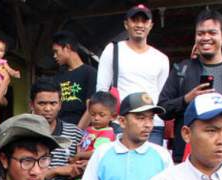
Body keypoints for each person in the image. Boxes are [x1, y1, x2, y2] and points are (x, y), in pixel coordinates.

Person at [158, 8, 222, 161]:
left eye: (212, 33)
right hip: (188, 155)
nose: (206, 38)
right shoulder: (181, 70)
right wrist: (186, 99)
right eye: (200, 33)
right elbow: (162, 109)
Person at [96, 4, 169, 145]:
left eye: (144, 21)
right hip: (122, 122)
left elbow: (161, 95)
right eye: (135, 20)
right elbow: (101, 91)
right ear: (126, 24)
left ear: (151, 25)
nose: (139, 24)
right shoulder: (113, 50)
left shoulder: (161, 58)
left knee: (151, 167)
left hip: (152, 125)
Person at [30, 78, 84, 180]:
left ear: (60, 105)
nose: (48, 108)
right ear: (32, 105)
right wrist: (56, 171)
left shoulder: (75, 133)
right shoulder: (23, 134)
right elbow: (22, 177)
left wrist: (83, 166)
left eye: (53, 103)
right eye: (42, 103)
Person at [51, 30, 98, 126]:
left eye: (56, 51)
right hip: (59, 132)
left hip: (81, 133)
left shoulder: (90, 73)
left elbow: (91, 108)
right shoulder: (57, 77)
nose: (54, 56)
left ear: (67, 48)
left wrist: (77, 132)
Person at [75, 92, 119, 160]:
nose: (96, 118)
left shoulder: (107, 134)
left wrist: (79, 155)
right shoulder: (89, 129)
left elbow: (97, 152)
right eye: (93, 114)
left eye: (101, 115)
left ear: (113, 116)